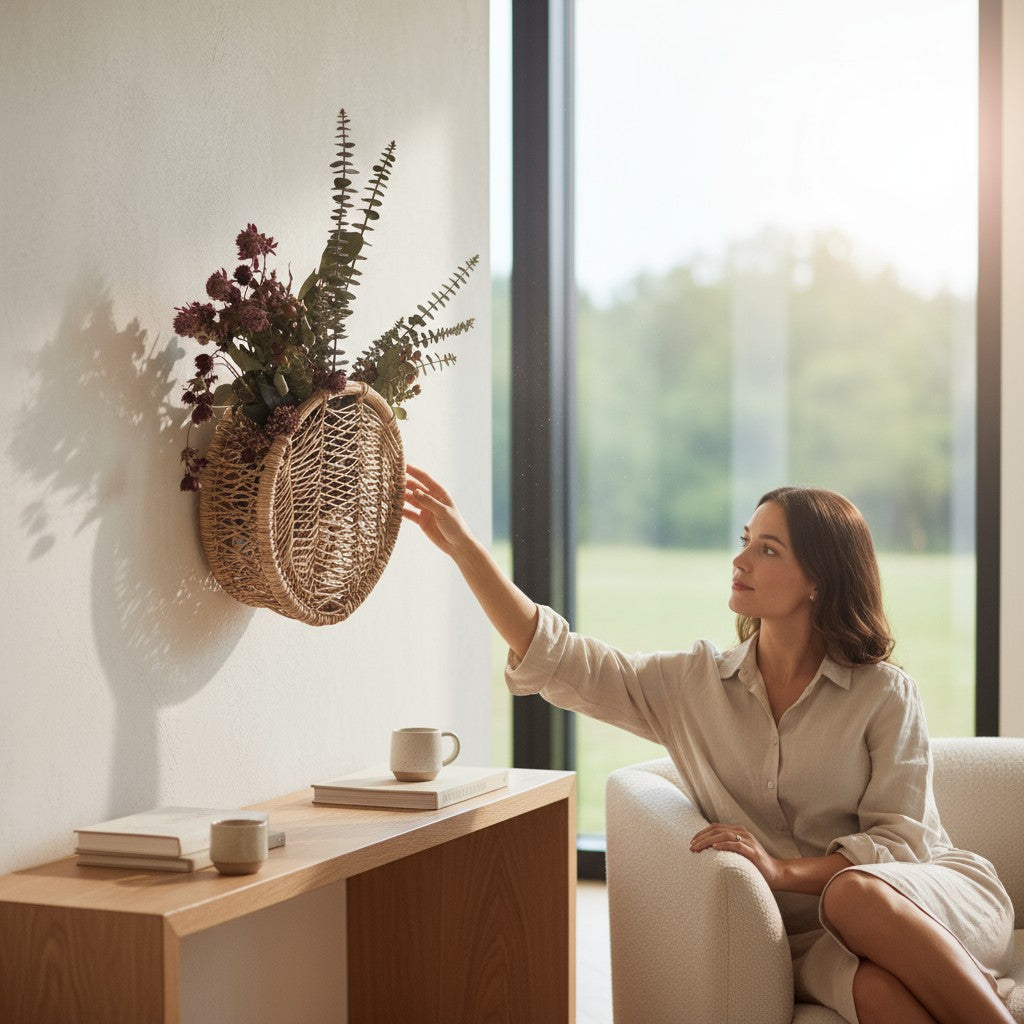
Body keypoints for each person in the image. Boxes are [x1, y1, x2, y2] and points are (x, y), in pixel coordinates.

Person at [402, 464, 1016, 1024]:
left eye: (767, 549)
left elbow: (901, 846)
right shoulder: (694, 685)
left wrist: (779, 870)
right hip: (811, 943)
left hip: (928, 900)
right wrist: (464, 551)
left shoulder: (884, 693)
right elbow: (561, 659)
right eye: (745, 540)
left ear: (818, 583)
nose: (741, 560)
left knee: (853, 892)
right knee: (878, 997)